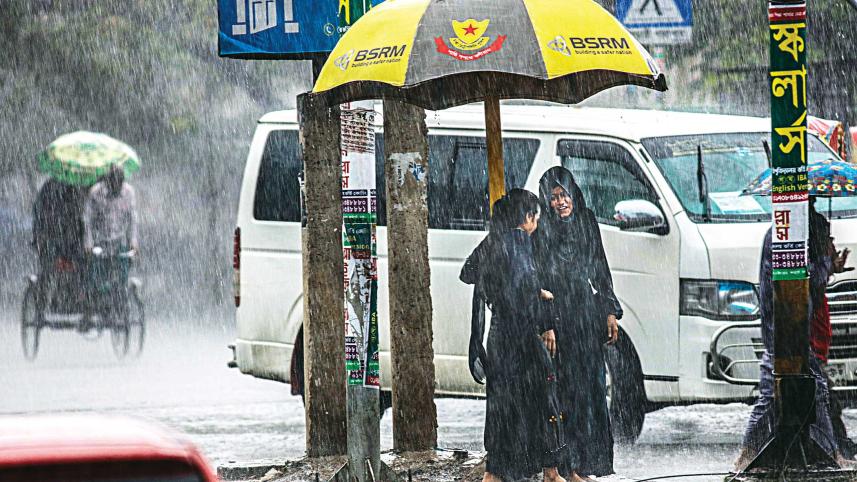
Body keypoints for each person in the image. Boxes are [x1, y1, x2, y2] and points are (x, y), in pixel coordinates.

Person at [460, 189, 566, 482]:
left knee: (501, 404)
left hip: (498, 336)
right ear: (528, 218)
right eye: (536, 218)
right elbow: (524, 286)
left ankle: (494, 473)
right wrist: (541, 295)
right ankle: (551, 471)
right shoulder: (520, 241)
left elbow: (468, 272)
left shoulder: (493, 242)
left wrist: (498, 285)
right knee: (543, 399)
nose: (537, 225)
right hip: (522, 337)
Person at [734, 205, 840, 471]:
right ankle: (747, 455)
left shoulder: (784, 232)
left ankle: (830, 452)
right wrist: (827, 262)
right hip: (784, 329)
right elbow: (807, 280)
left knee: (803, 389)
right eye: (827, 236)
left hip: (786, 327)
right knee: (784, 391)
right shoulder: (788, 237)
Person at [533, 167, 621, 481]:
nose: (560, 202)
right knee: (563, 395)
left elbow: (600, 267)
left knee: (592, 392)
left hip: (586, 316)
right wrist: (546, 324)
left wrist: (610, 310)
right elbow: (537, 279)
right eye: (553, 197)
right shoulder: (541, 229)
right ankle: (565, 468)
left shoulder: (587, 220)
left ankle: (587, 465)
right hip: (558, 317)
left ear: (573, 193)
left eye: (564, 194)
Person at [82, 165, 138, 323]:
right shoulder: (96, 192)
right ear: (107, 181)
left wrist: (133, 241)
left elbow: (133, 218)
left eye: (119, 183)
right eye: (113, 183)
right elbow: (88, 219)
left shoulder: (128, 193)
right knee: (96, 276)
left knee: (122, 275)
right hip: (100, 241)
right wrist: (89, 242)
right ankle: (92, 307)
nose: (116, 186)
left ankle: (120, 304)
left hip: (119, 240)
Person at [32, 178, 87, 308]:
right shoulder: (53, 188)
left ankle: (71, 295)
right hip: (59, 239)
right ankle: (47, 299)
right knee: (50, 269)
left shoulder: (50, 187)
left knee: (75, 267)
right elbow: (39, 214)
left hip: (66, 239)